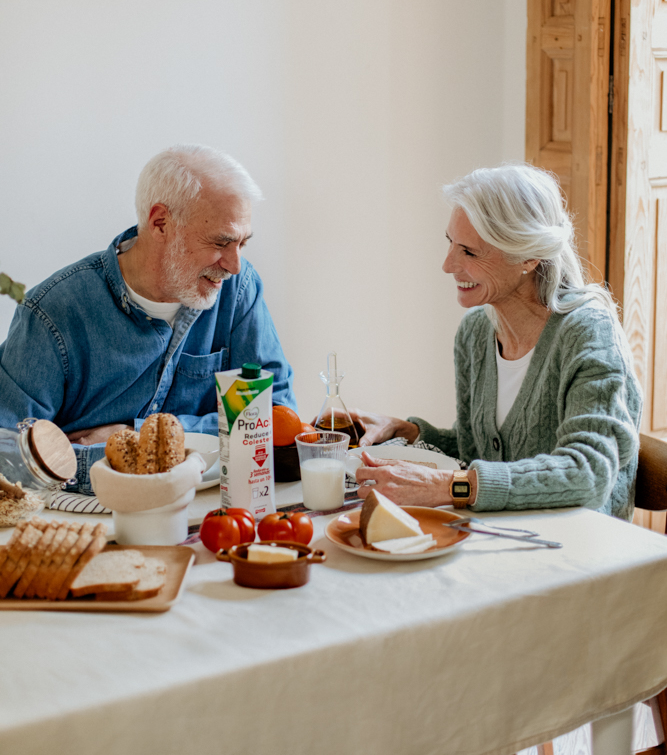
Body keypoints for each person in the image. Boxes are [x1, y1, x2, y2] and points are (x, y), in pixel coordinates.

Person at [351, 164, 641, 520]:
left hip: (578, 544)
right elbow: (476, 453)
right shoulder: (475, 332)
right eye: (450, 243)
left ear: (528, 257)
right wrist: (409, 432)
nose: (447, 265)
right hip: (499, 534)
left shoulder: (589, 333)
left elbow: (587, 474)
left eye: (469, 252)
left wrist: (447, 486)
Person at [0, 144, 296, 493]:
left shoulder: (238, 289)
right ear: (160, 223)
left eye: (242, 244)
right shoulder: (52, 312)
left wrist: (138, 437)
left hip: (210, 508)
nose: (234, 265)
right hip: (90, 514)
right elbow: (9, 456)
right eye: (221, 243)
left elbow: (277, 416)